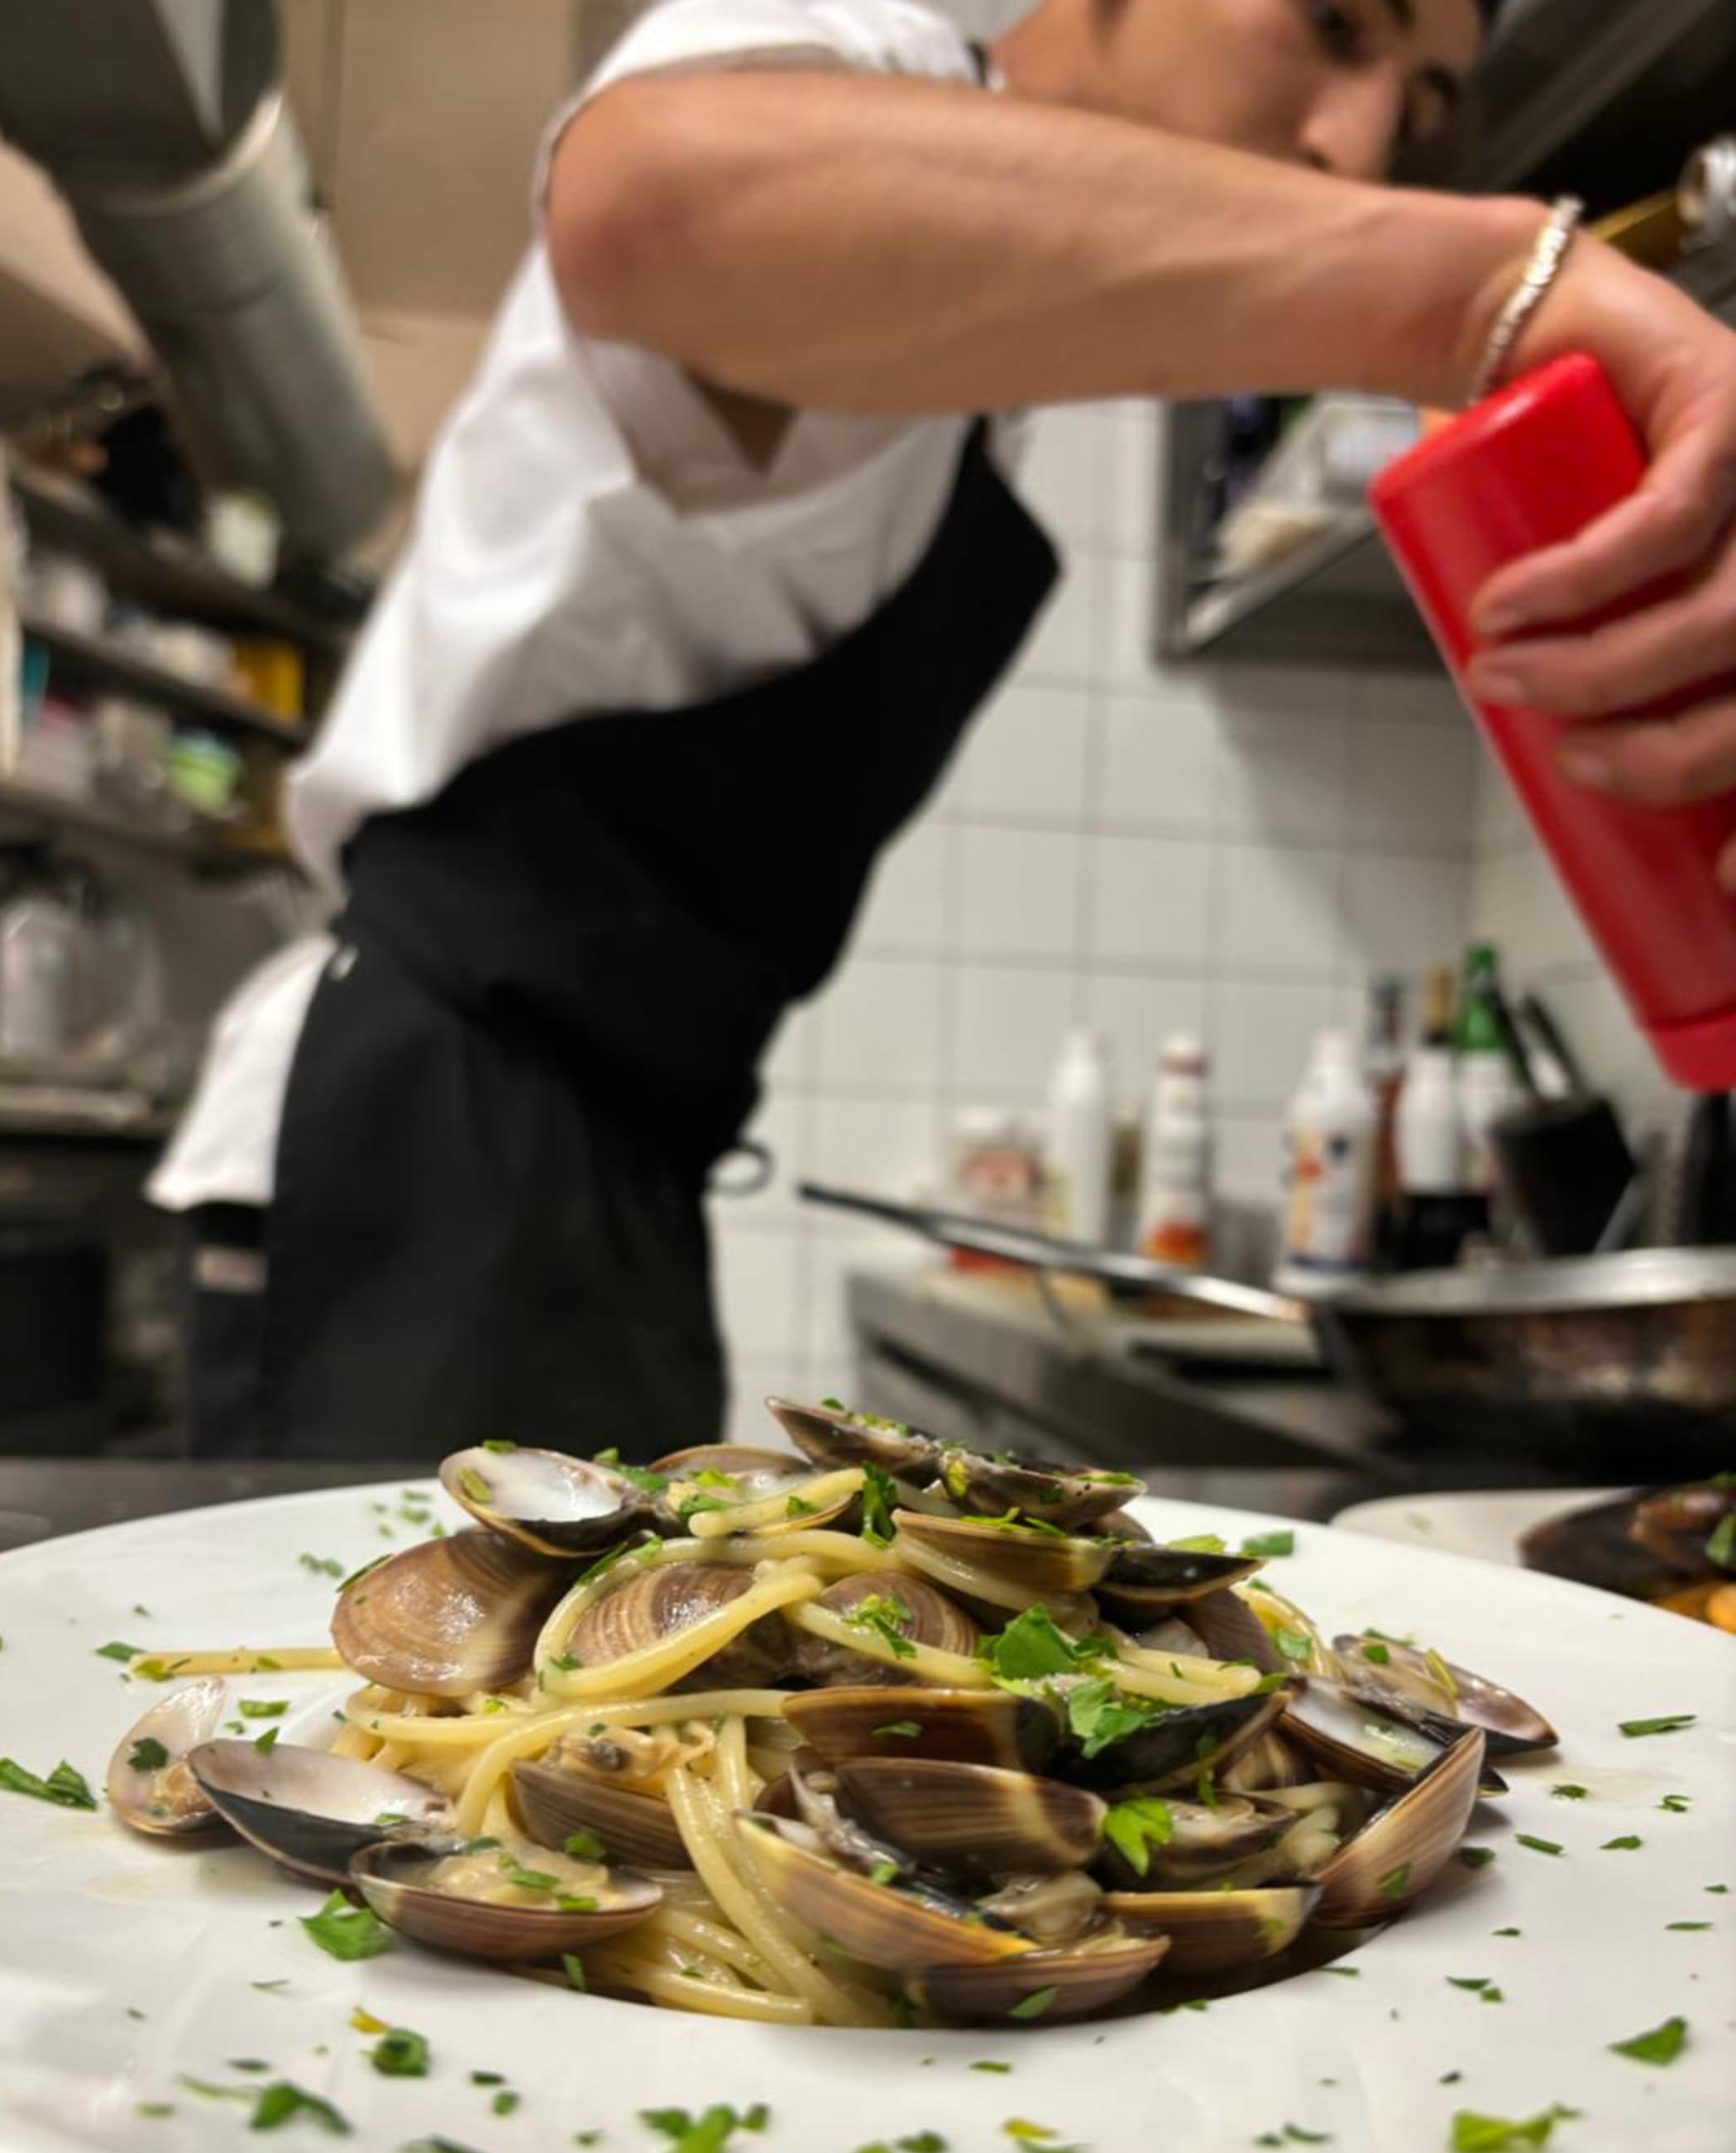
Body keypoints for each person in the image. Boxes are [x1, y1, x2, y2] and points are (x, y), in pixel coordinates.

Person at [151, 0, 1736, 1462]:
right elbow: (655, 203)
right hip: (420, 1140)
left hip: (605, 1169)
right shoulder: (861, 54)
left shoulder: (993, 382)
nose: (1359, 140)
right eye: (1330, 24)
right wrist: (1484, 289)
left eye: (1424, 110)